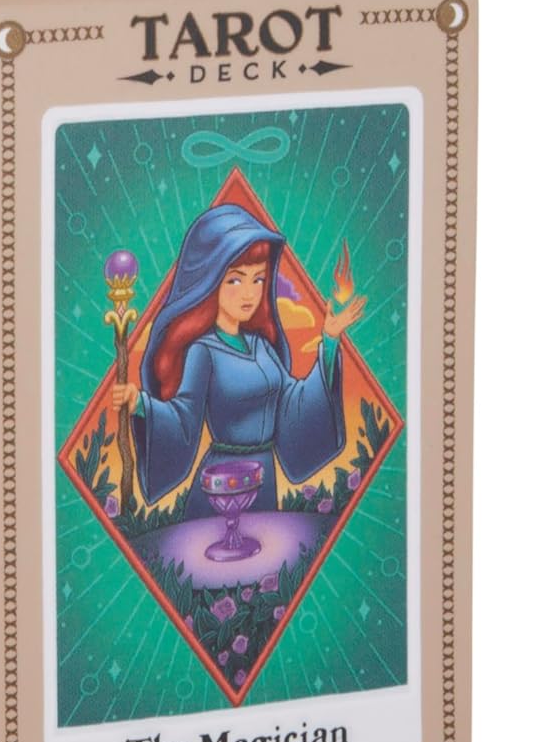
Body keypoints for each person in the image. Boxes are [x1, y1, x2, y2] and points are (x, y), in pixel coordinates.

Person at [112, 203, 366, 520]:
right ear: (211, 282)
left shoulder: (262, 346)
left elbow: (293, 402)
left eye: (258, 279)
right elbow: (183, 416)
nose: (249, 293)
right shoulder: (203, 351)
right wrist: (139, 403)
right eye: (235, 280)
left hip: (264, 477)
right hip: (221, 483)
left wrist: (329, 340)